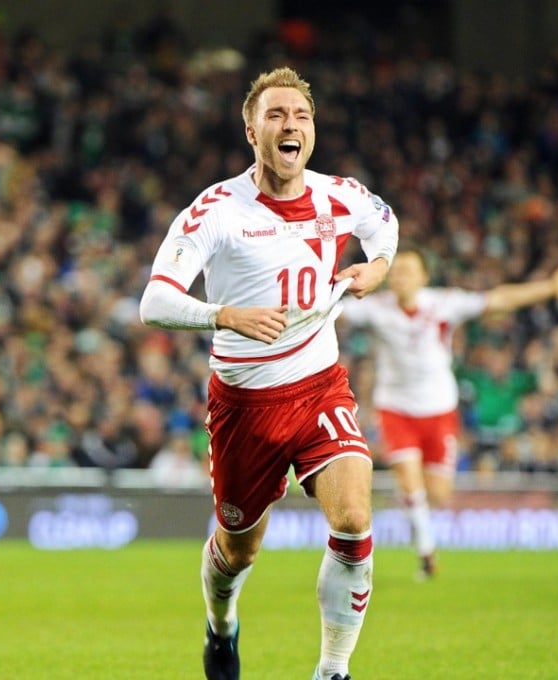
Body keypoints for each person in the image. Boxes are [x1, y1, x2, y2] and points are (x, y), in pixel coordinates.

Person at [141, 66, 399, 680]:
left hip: (319, 387)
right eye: (276, 115)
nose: (291, 125)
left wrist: (379, 267)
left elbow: (384, 225)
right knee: (236, 550)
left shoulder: (340, 194)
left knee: (354, 520)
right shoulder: (216, 210)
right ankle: (221, 624)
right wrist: (222, 312)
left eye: (301, 116)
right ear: (251, 128)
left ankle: (332, 670)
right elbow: (154, 301)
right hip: (244, 405)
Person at [338, 247, 558, 579]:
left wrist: (551, 288)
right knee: (409, 478)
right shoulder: (376, 309)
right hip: (395, 407)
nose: (401, 277)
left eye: (408, 271)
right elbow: (331, 308)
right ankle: (426, 550)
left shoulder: (444, 304)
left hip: (439, 408)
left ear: (424, 277)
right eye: (396, 271)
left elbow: (499, 299)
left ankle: (416, 510)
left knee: (439, 494)